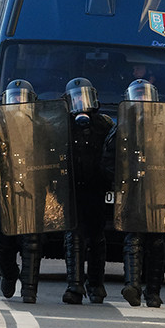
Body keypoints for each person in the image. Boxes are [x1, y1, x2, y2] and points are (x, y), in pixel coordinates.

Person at [103, 79, 165, 308]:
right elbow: (108, 159)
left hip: (157, 191)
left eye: (146, 96)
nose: (142, 101)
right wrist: (120, 180)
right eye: (138, 96)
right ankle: (132, 285)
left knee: (155, 241)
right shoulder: (122, 127)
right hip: (132, 191)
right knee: (132, 238)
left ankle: (153, 292)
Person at [0, 80, 46, 303]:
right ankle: (9, 274)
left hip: (33, 188)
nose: (17, 103)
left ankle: (29, 289)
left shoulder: (41, 125)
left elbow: (54, 150)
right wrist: (4, 128)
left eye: (21, 99)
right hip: (5, 189)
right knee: (2, 241)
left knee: (31, 240)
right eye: (14, 99)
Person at [62, 77, 114, 304]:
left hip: (97, 189)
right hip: (72, 189)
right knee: (74, 236)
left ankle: (96, 285)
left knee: (96, 238)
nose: (81, 103)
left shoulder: (104, 124)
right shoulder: (62, 125)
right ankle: (75, 285)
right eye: (76, 99)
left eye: (85, 98)